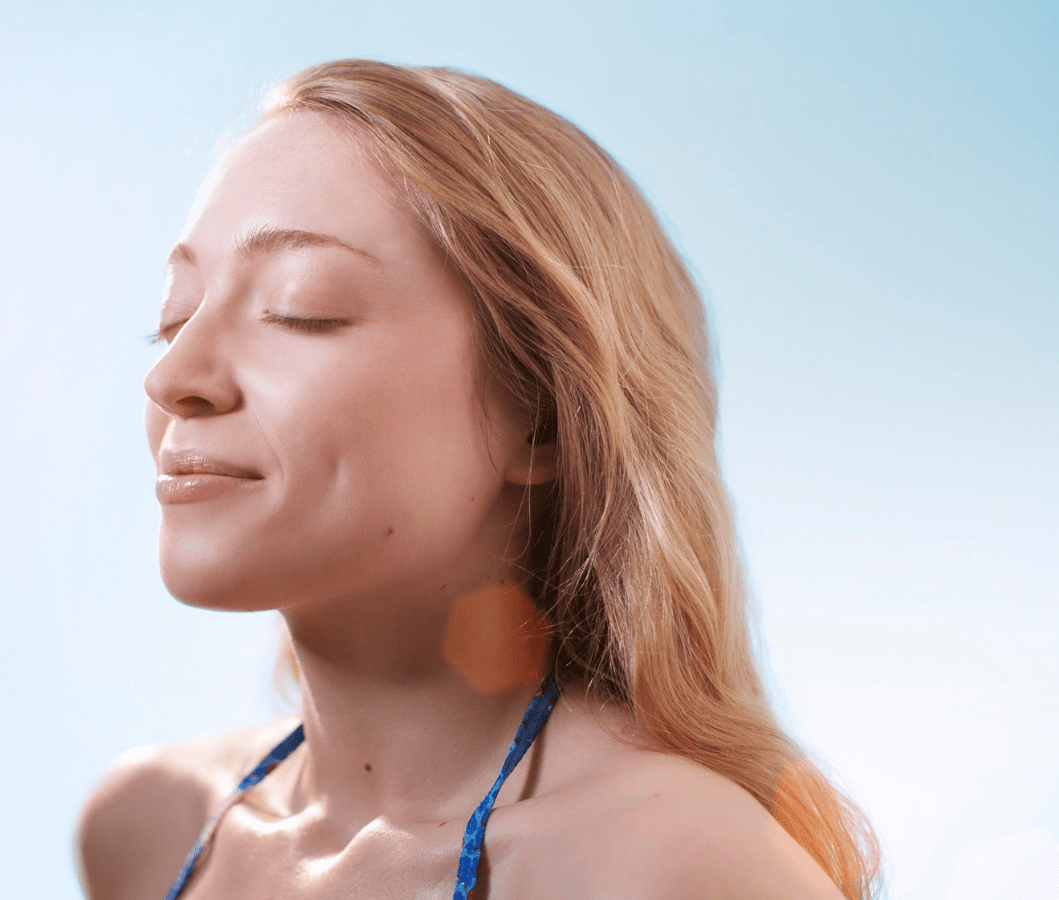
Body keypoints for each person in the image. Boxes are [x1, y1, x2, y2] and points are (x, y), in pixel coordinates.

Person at [75, 59, 878, 900]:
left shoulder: (675, 866)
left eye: (299, 307)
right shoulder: (145, 831)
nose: (174, 378)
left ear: (542, 413)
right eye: (172, 318)